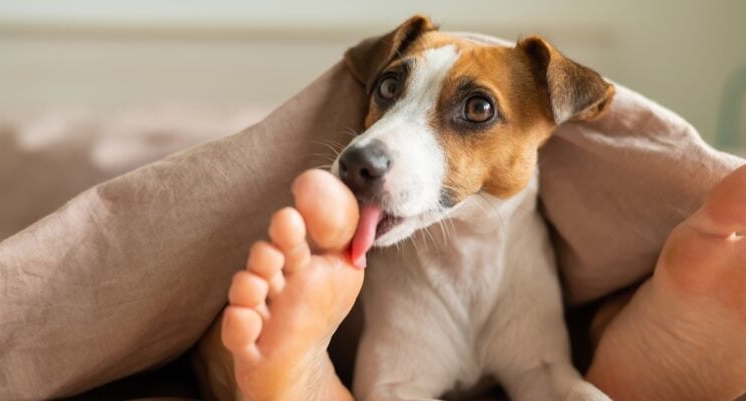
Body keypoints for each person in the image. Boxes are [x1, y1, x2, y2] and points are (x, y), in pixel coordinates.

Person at [218, 166, 746, 401]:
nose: (373, 145)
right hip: (406, 263)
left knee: (552, 378)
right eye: (390, 89)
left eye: (477, 109)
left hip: (515, 263)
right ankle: (308, 378)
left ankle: (626, 340)